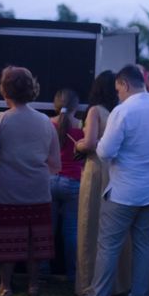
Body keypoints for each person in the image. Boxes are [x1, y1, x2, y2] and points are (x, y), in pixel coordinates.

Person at [84, 64, 149, 296]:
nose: (118, 95)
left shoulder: (122, 111)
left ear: (124, 84)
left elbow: (105, 151)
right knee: (144, 244)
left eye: (118, 90)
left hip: (124, 190)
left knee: (109, 245)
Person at [0, 66, 61, 296]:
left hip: (7, 191)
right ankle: (33, 286)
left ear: (5, 90)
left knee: (6, 241)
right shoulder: (45, 122)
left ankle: (5, 288)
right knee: (36, 242)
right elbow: (53, 160)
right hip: (37, 190)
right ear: (30, 89)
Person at [75, 70, 132, 296]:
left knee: (91, 225)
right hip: (115, 172)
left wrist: (77, 145)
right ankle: (119, 280)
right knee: (115, 228)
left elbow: (89, 143)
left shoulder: (94, 111)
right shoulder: (118, 112)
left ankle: (90, 282)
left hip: (96, 170)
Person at [49, 88, 84, 282]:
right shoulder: (81, 126)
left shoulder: (48, 124)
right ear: (76, 106)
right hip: (73, 182)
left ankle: (44, 271)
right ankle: (72, 273)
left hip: (49, 180)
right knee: (71, 231)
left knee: (48, 229)